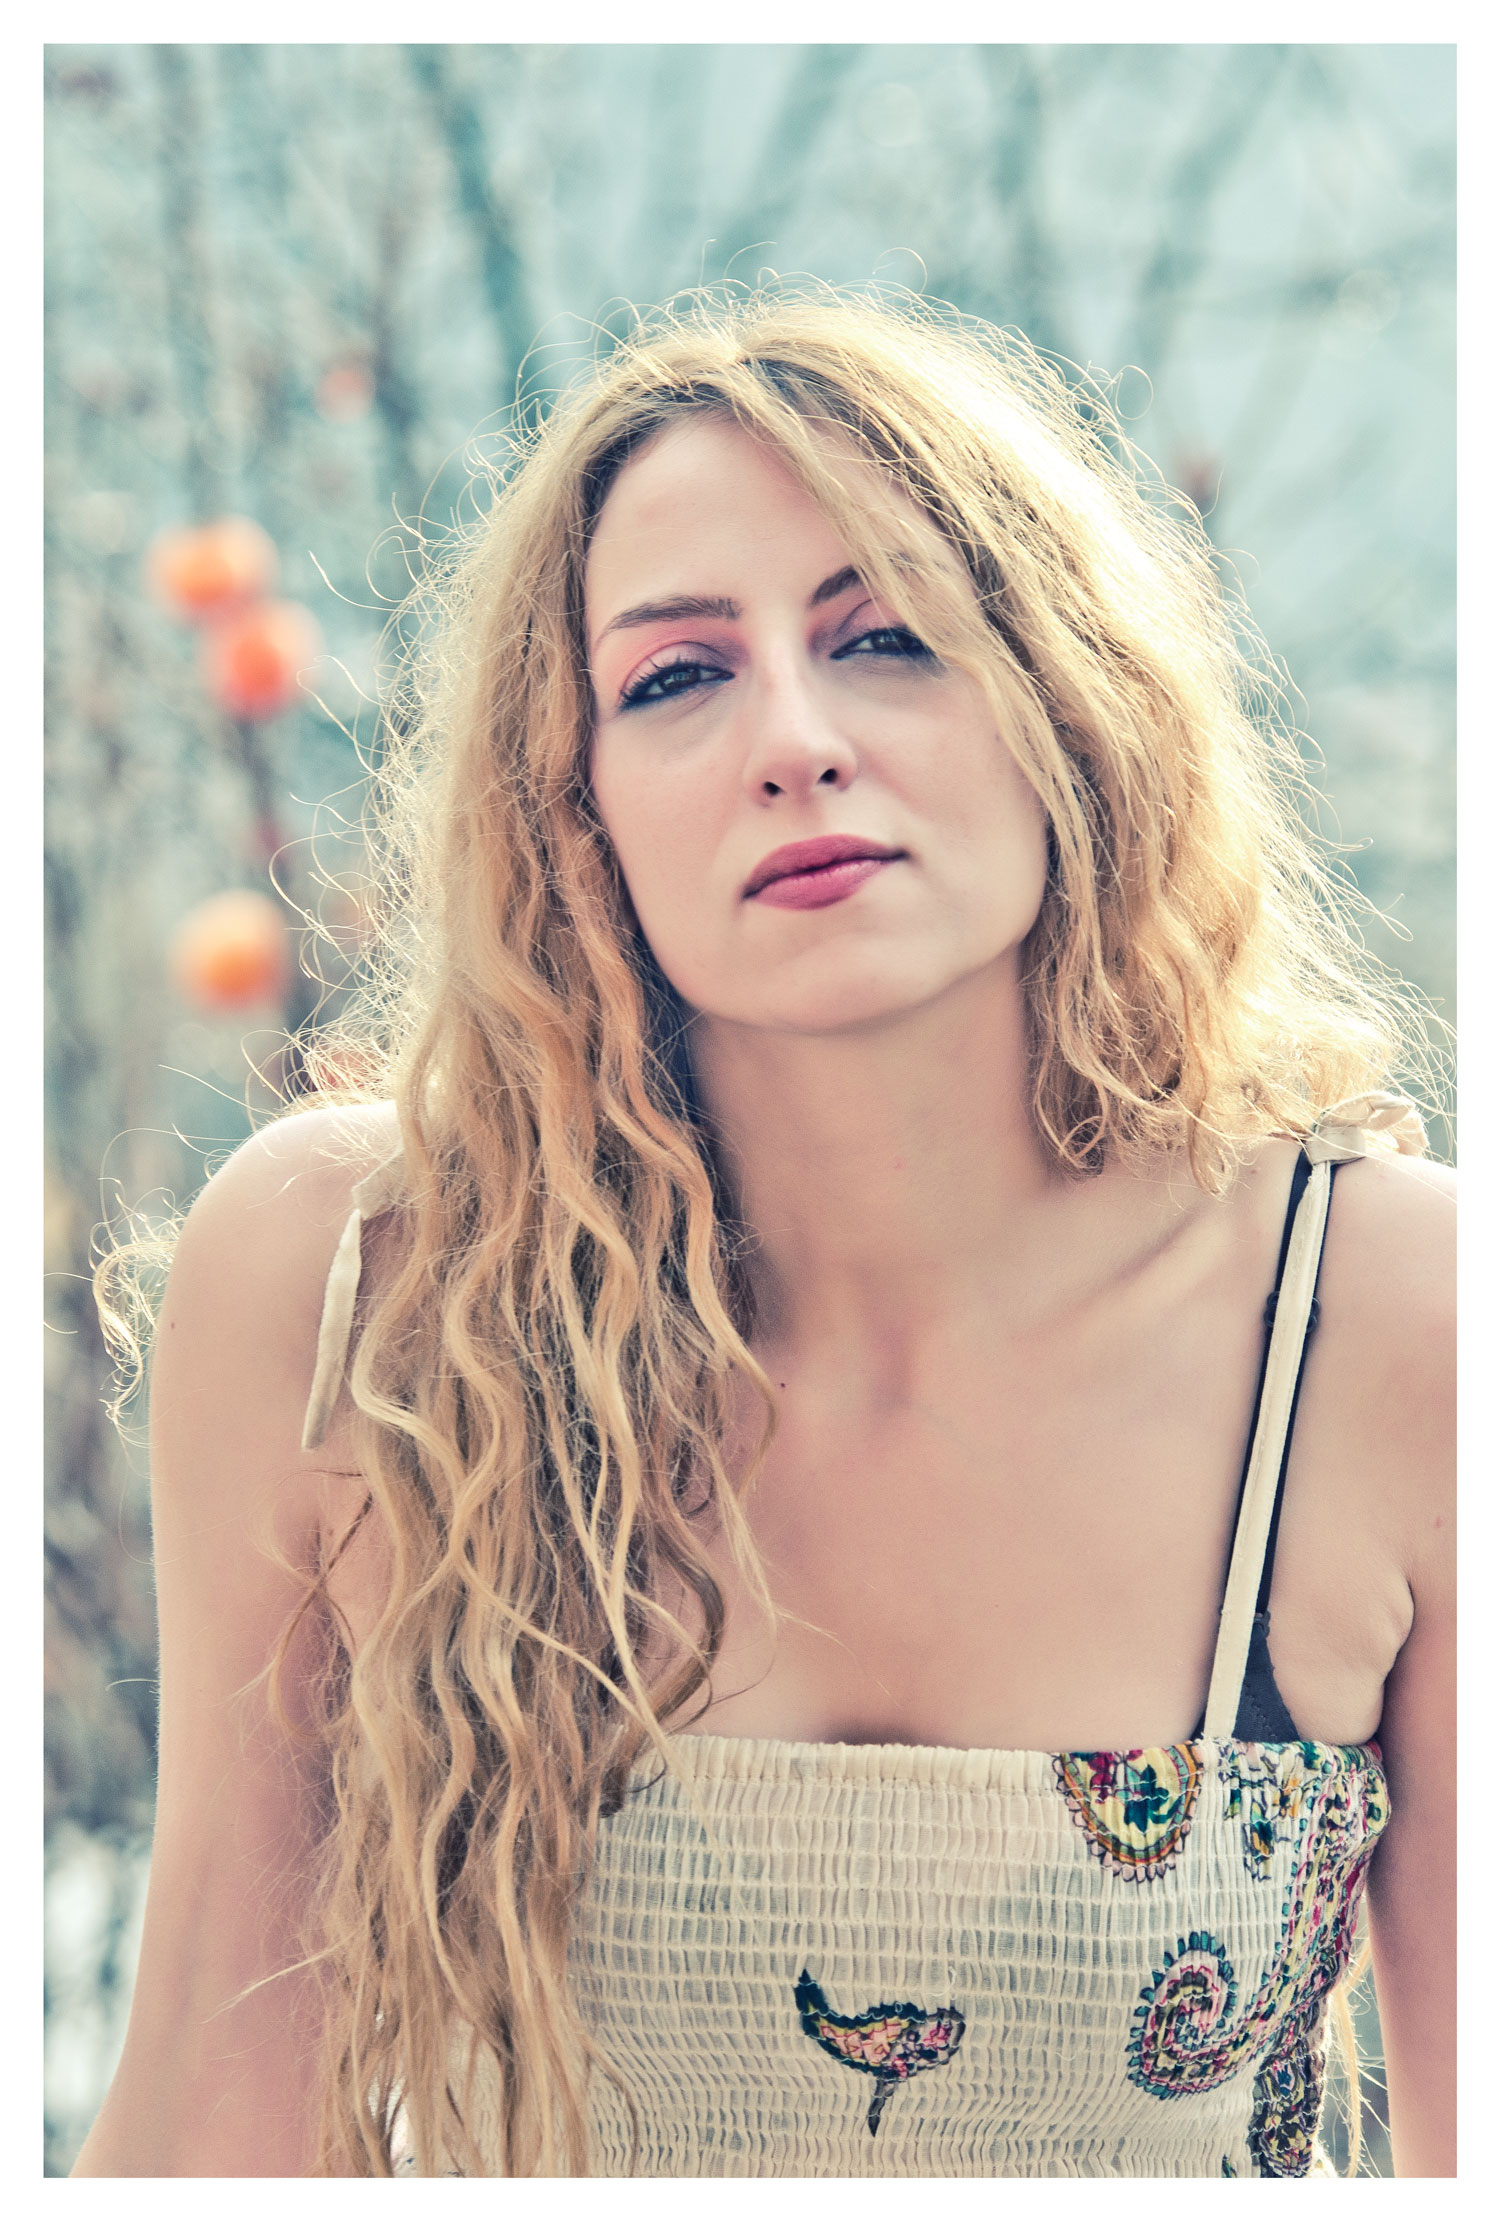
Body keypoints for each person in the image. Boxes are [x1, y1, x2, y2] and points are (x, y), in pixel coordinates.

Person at [74, 288, 1454, 2180]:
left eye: (886, 638)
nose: (795, 741)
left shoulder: (1387, 1315)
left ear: (1067, 701)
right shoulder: (364, 1289)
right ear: (573, 802)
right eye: (675, 678)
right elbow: (210, 2126)